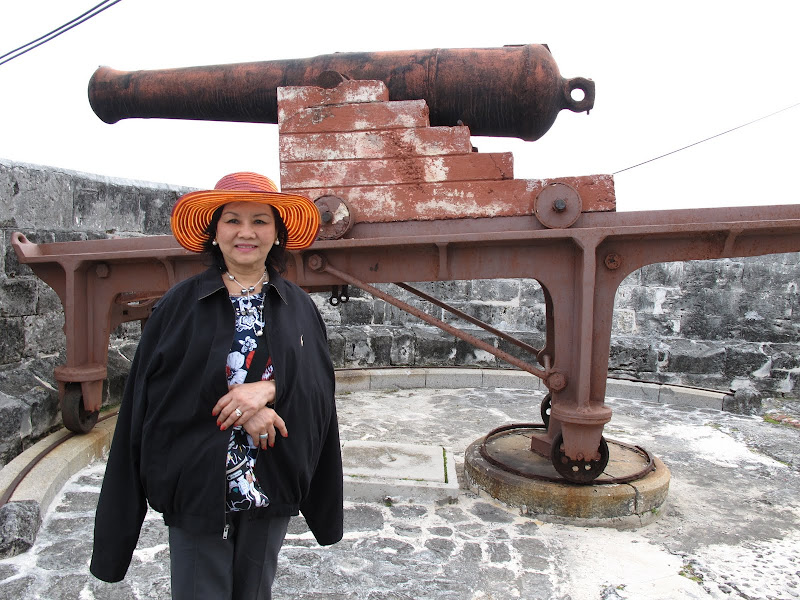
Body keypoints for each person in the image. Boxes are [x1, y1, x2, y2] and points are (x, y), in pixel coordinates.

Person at [90, 172, 343, 599]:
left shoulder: (298, 306)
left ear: (277, 234)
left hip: (270, 479)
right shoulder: (179, 304)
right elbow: (156, 397)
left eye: (260, 221)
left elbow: (318, 385)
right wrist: (244, 411)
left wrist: (269, 391)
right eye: (233, 220)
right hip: (197, 483)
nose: (247, 232)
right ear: (215, 232)